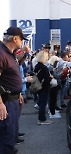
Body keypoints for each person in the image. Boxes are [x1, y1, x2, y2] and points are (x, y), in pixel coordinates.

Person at [0, 26, 28, 154]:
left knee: (11, 136)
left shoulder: (8, 53)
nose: (22, 42)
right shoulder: (1, 53)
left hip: (13, 99)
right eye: (21, 39)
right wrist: (0, 103)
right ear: (15, 39)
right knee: (6, 137)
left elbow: (11, 74)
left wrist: (17, 94)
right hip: (6, 102)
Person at [34, 50, 53, 125]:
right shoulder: (44, 68)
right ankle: (42, 119)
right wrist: (51, 77)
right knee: (43, 104)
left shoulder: (37, 66)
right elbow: (47, 79)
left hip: (38, 86)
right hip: (44, 87)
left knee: (41, 102)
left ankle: (41, 119)